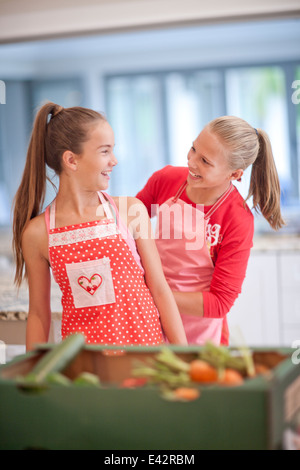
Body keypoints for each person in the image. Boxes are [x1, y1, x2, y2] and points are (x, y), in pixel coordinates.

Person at [12, 102, 187, 351]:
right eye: (105, 151)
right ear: (71, 160)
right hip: (86, 364)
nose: (114, 161)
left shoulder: (130, 211)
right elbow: (39, 315)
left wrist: (186, 356)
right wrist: (36, 378)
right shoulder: (38, 233)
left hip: (148, 355)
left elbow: (160, 290)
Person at [136, 115, 285, 346]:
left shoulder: (236, 219)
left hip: (199, 333)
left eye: (205, 161)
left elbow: (219, 303)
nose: (192, 162)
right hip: (148, 320)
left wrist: (155, 296)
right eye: (193, 148)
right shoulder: (165, 180)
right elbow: (129, 224)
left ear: (234, 174)